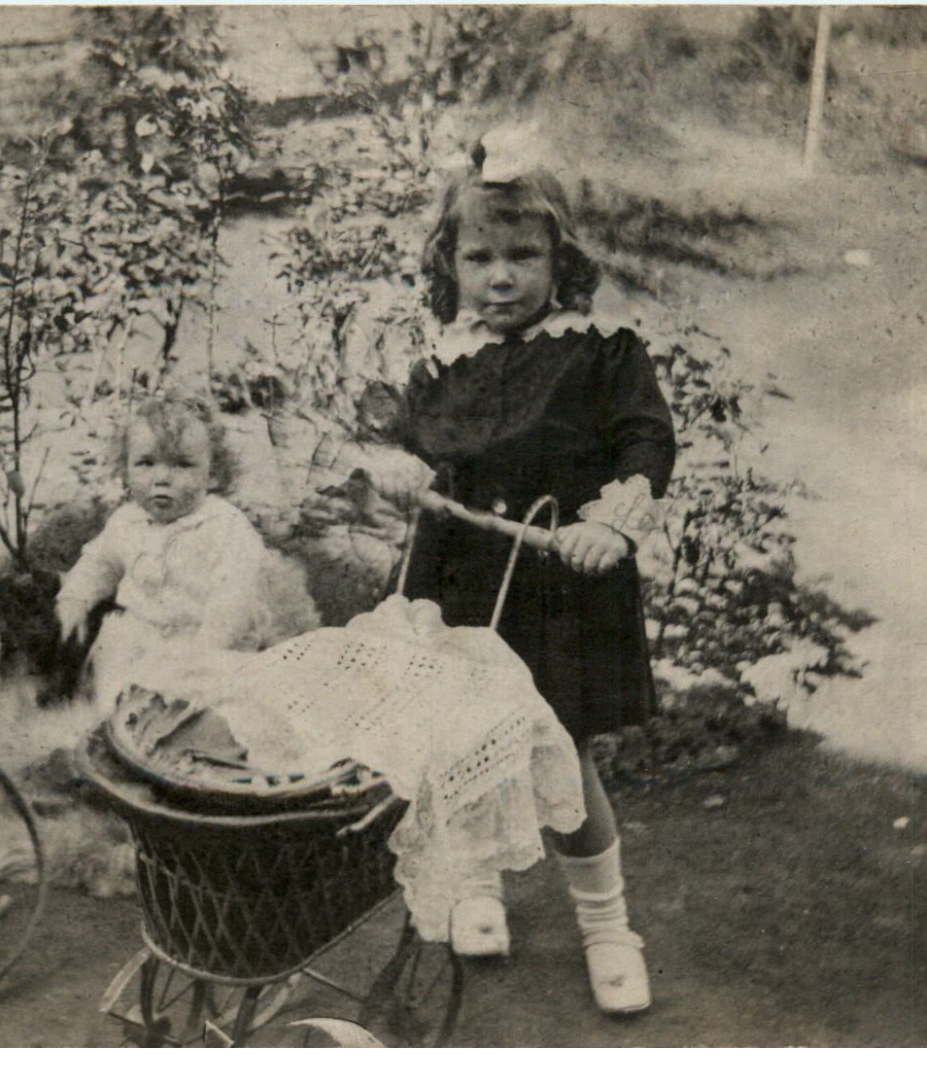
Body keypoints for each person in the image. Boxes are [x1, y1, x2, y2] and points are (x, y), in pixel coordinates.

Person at [369, 129, 675, 1014]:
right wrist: (396, 468)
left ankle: (608, 926)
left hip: (557, 582)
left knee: (562, 755)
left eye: (521, 255)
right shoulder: (442, 357)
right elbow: (413, 447)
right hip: (460, 578)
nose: (499, 276)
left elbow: (644, 439)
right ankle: (474, 884)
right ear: (450, 263)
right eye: (479, 257)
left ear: (559, 257)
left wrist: (612, 523)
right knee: (459, 737)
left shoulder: (599, 347)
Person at [55, 394, 280, 712]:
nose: (162, 477)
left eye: (182, 464)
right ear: (126, 470)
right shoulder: (126, 520)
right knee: (114, 699)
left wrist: (205, 651)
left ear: (213, 473)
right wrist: (75, 599)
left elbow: (235, 595)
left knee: (203, 705)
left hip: (201, 643)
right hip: (137, 638)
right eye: (146, 463)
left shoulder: (225, 526)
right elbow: (99, 563)